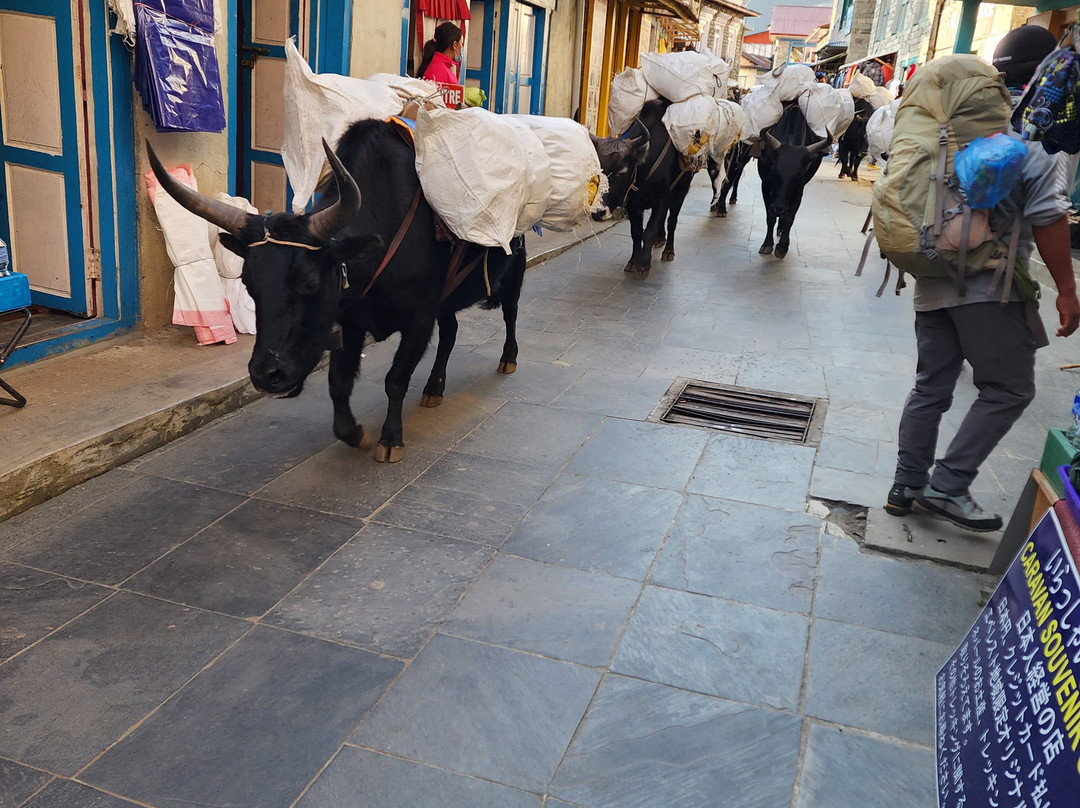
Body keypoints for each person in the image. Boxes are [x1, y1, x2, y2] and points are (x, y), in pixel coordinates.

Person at [885, 27, 1080, 532]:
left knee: (931, 385)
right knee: (1010, 389)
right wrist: (1067, 290)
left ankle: (906, 485)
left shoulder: (952, 129)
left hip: (932, 273)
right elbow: (1050, 217)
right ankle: (948, 485)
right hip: (989, 284)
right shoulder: (1037, 136)